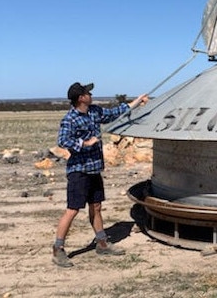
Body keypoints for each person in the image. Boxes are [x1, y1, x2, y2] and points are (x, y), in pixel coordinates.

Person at [52, 82, 149, 267]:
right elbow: (63, 140)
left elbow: (116, 112)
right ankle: (58, 249)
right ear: (81, 98)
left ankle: (102, 243)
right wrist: (84, 143)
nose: (90, 94)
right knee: (72, 210)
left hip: (94, 170)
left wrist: (137, 101)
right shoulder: (70, 119)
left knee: (96, 207)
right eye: (88, 92)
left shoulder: (95, 111)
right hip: (79, 172)